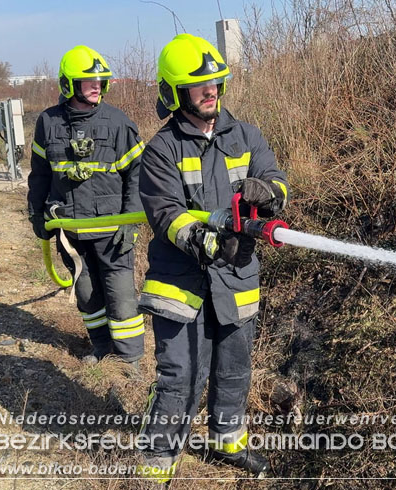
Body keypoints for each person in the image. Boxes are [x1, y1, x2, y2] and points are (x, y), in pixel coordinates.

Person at [136, 33, 290, 481]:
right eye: (199, 85)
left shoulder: (247, 135)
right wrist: (203, 239)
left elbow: (276, 180)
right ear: (173, 92)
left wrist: (270, 194)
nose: (211, 92)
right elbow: (166, 213)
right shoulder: (162, 149)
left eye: (217, 82)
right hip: (179, 281)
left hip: (237, 276)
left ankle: (227, 445)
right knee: (182, 374)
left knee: (234, 369)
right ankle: (156, 465)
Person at [27, 45, 146, 368]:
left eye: (100, 80)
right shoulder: (48, 123)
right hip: (70, 231)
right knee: (87, 293)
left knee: (120, 296)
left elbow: (138, 174)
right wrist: (36, 213)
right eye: (88, 80)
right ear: (69, 84)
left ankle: (130, 359)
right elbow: (39, 174)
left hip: (113, 232)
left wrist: (129, 223)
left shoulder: (118, 122)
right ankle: (101, 347)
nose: (97, 86)